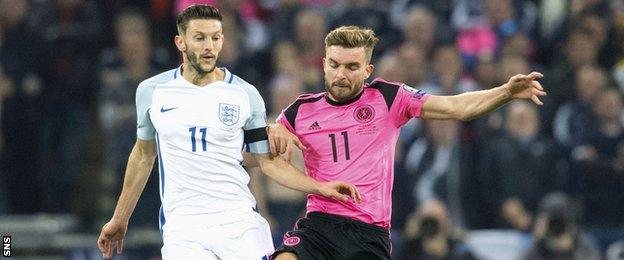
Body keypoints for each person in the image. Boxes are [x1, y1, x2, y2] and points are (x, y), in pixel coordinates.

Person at [96, 5, 360, 260]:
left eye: (216, 37)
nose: (209, 46)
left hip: (238, 222)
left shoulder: (245, 94)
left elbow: (267, 163)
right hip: (183, 228)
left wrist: (321, 188)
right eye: (199, 38)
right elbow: (144, 155)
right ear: (181, 42)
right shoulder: (152, 91)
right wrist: (120, 218)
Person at [267, 26, 546, 260]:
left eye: (352, 67)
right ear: (324, 63)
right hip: (318, 225)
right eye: (334, 64)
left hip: (367, 233)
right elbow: (262, 158)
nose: (341, 74)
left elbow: (455, 108)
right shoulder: (299, 111)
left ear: (367, 69)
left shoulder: (389, 98)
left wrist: (506, 92)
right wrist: (271, 130)